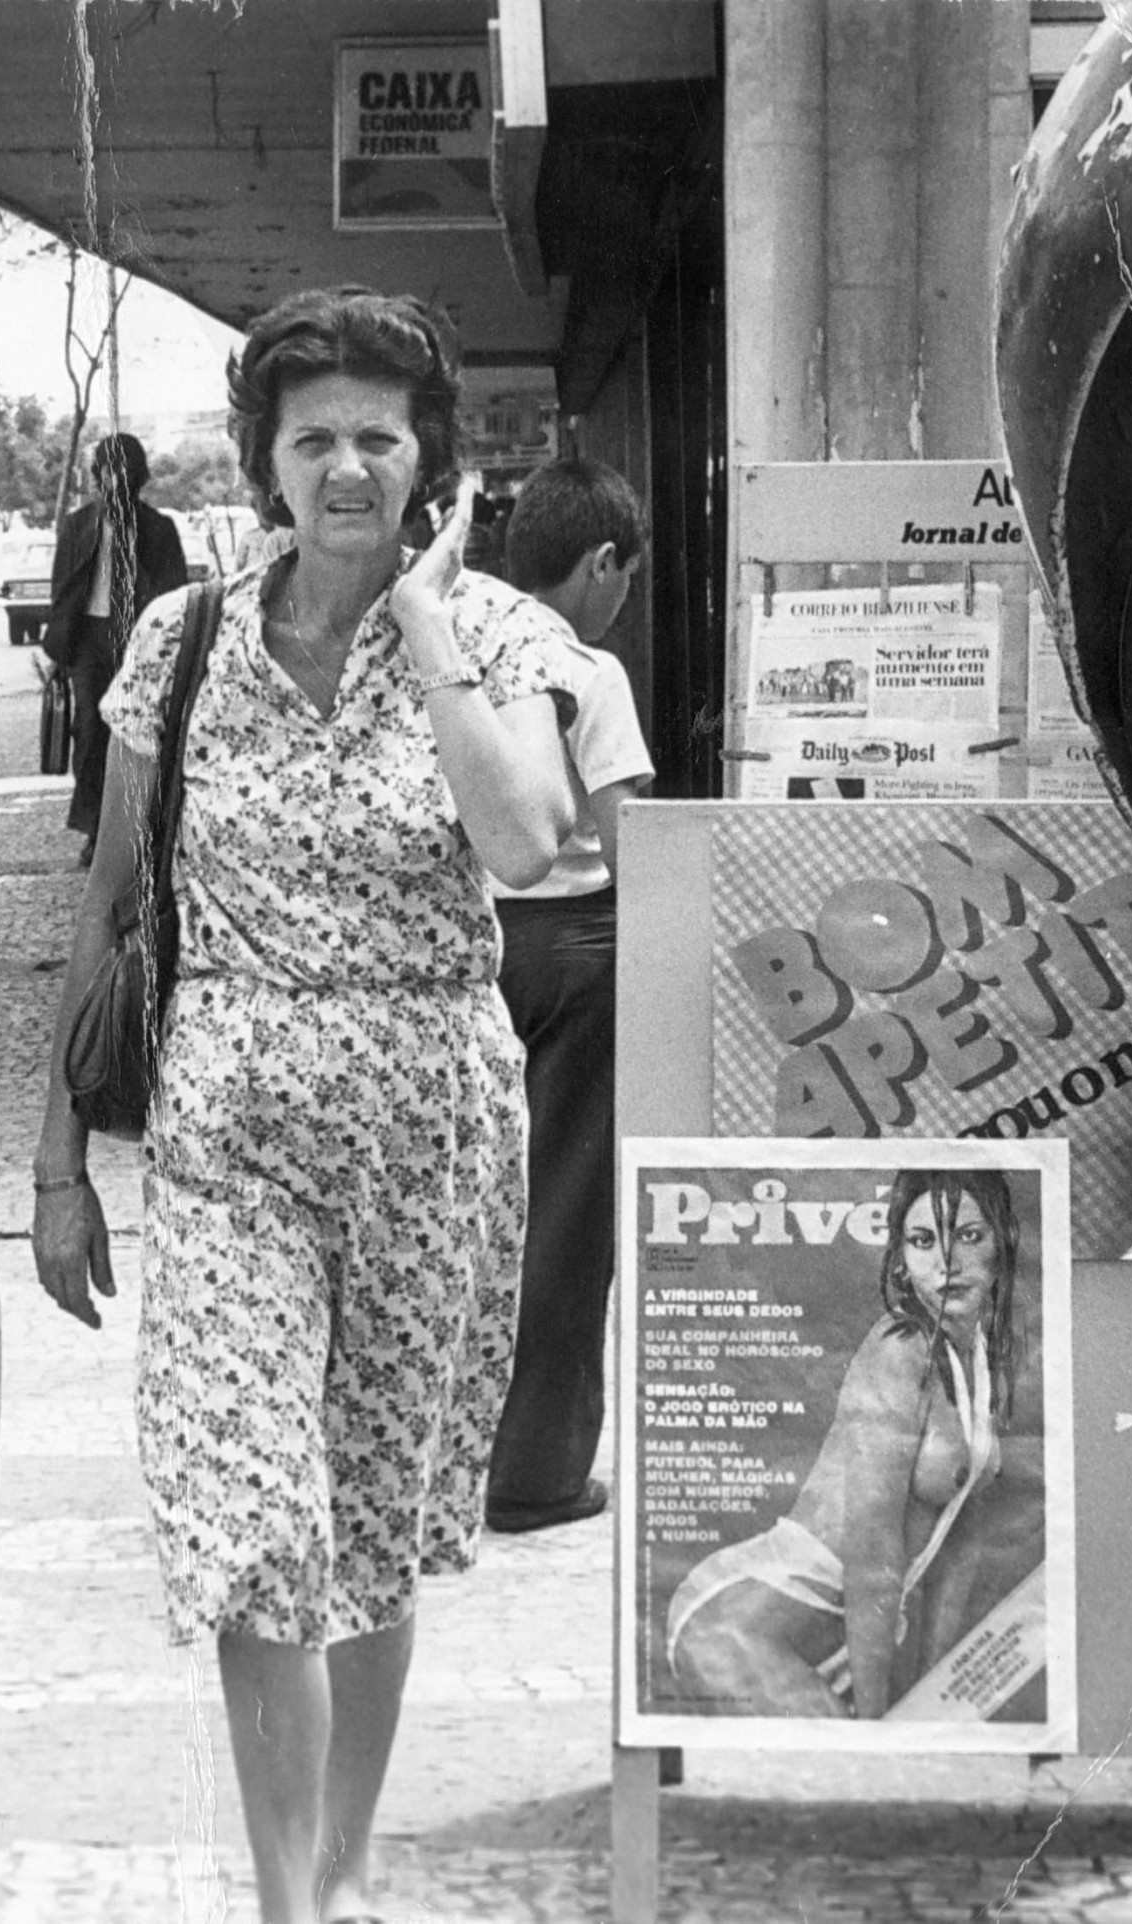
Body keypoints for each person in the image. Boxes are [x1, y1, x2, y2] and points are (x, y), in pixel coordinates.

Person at [29, 287, 574, 1924]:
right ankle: (290, 1898)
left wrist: (421, 625)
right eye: (312, 436)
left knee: (373, 1526)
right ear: (264, 458)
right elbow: (110, 903)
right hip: (228, 1132)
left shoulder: (500, 633)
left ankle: (339, 1867)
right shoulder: (177, 644)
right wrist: (57, 1156)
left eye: (378, 437)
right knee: (253, 1515)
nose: (345, 467)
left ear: (430, 465)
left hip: (433, 1130)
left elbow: (525, 841)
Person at [664, 1168, 1023, 1719]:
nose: (946, 1261)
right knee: (849, 1760)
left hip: (845, 1633)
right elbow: (873, 1554)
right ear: (901, 1260)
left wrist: (920, 1695)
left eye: (969, 1236)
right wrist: (878, 1722)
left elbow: (958, 1558)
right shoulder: (899, 1350)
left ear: (1003, 1242)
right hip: (740, 1620)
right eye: (924, 1241)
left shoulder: (980, 1356)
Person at [484, 457, 655, 1536]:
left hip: (456, 943)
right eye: (627, 576)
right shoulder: (586, 671)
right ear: (601, 562)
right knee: (562, 1215)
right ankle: (538, 1472)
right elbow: (631, 845)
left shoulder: (453, 646)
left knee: (448, 1207)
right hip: (575, 953)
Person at [40, 434, 189, 861]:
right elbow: (61, 591)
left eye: (124, 469)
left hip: (138, 640)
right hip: (88, 639)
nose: (115, 479)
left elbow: (172, 593)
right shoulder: (77, 525)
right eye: (107, 469)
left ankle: (143, 828)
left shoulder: (159, 528)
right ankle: (95, 829)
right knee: (89, 733)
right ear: (98, 476)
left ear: (138, 476)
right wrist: (56, 651)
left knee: (140, 733)